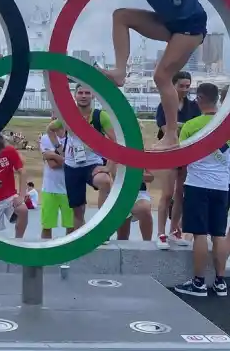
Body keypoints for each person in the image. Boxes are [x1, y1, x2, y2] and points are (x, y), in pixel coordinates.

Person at [91, 0, 230, 149]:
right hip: (167, 24)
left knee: (161, 76)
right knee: (120, 15)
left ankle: (172, 134)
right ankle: (120, 71)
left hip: (190, 29)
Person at [173, 83, 229, 298]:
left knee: (199, 234)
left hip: (197, 185)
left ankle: (198, 283)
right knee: (218, 235)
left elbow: (181, 160)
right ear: (217, 100)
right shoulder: (226, 126)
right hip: (222, 187)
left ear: (199, 99)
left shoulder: (191, 126)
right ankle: (220, 282)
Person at [47, 85, 117, 232]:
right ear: (75, 95)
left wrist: (109, 167)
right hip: (72, 166)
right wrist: (59, 150)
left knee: (104, 181)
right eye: (80, 93)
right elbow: (50, 129)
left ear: (92, 96)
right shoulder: (68, 115)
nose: (83, 96)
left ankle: (103, 227)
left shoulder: (100, 116)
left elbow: (115, 142)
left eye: (87, 93)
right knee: (78, 211)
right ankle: (81, 236)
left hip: (93, 163)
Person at [154, 70, 199, 249]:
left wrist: (181, 130)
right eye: (181, 86)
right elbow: (167, 131)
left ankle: (174, 230)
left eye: (188, 86)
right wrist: (181, 129)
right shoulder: (164, 105)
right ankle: (161, 234)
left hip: (186, 155)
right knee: (166, 194)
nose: (185, 89)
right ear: (173, 85)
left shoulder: (194, 107)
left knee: (180, 194)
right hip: (169, 154)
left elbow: (196, 131)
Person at [38, 123, 74, 239]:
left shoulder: (74, 138)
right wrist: (67, 160)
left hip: (70, 189)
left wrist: (54, 155)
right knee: (47, 226)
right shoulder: (45, 138)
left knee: (71, 226)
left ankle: (70, 253)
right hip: (50, 188)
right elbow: (52, 164)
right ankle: (44, 253)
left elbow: (77, 162)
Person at [116, 172, 154, 241]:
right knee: (122, 238)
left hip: (139, 191)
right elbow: (114, 173)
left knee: (145, 209)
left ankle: (148, 244)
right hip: (120, 192)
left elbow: (151, 177)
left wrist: (137, 175)